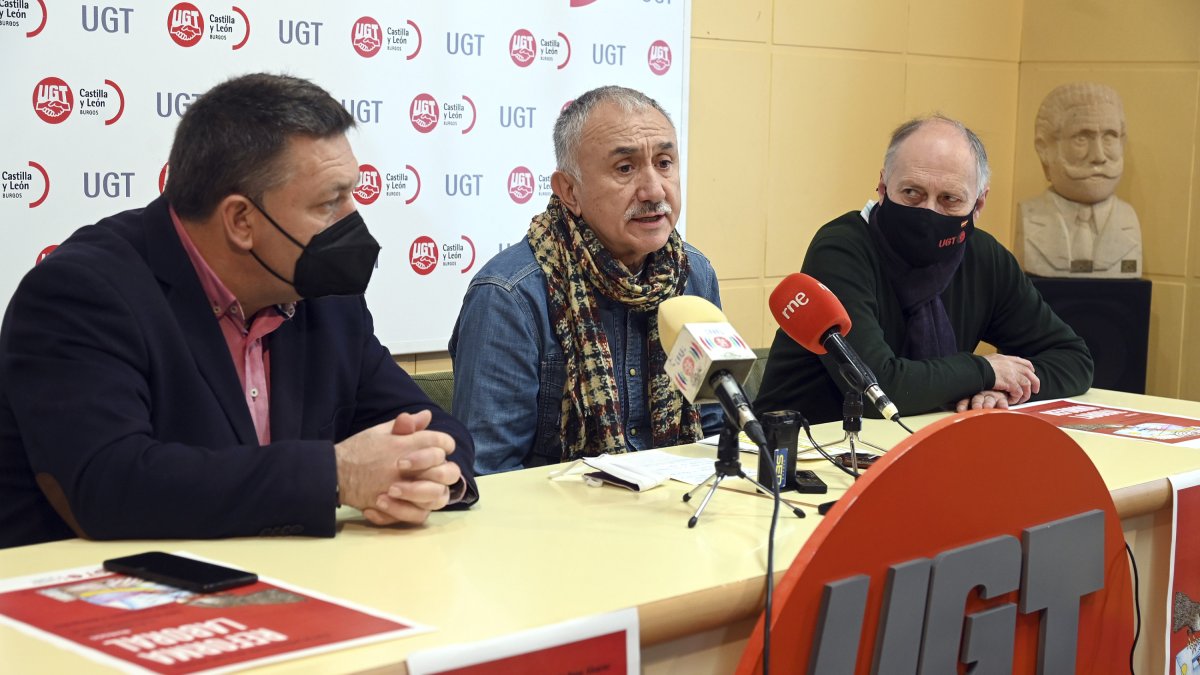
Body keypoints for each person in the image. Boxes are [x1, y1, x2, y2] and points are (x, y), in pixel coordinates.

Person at [0, 73, 477, 549]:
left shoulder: (325, 295)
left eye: (353, 193)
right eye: (330, 202)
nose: (352, 219)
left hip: (288, 590)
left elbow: (430, 425)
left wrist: (426, 476)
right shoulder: (81, 293)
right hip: (96, 602)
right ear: (241, 220)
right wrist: (336, 475)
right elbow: (109, 484)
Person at [449, 85, 723, 473]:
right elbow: (486, 473)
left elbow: (713, 434)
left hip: (676, 512)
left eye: (664, 162)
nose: (653, 189)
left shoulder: (694, 274)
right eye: (625, 169)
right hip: (556, 525)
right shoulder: (509, 296)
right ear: (570, 192)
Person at [755, 115, 1093, 425]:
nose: (928, 212)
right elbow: (878, 390)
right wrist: (984, 370)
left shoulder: (983, 256)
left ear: (979, 204)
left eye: (949, 199)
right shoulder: (841, 248)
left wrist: (1003, 391)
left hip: (923, 448)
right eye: (912, 193)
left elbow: (1073, 359)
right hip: (805, 455)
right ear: (883, 187)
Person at [1019, 82, 1141, 278]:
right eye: (1081, 139)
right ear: (1044, 149)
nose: (1098, 156)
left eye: (1109, 137)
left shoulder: (1129, 220)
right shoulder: (1029, 217)